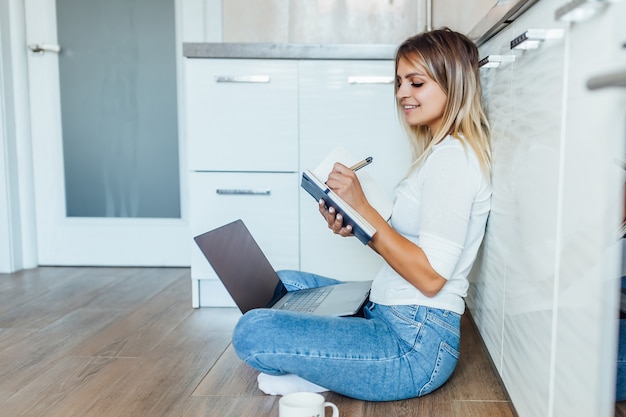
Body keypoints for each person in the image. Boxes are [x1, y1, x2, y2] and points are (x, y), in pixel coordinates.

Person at [232, 27, 492, 402]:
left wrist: (365, 211)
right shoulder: (438, 154)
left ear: (455, 85)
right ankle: (331, 364)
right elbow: (406, 244)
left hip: (414, 345)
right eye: (400, 82)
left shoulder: (453, 162)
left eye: (416, 83)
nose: (403, 93)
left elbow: (432, 278)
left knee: (253, 331)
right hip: (385, 308)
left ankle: (324, 370)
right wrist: (355, 223)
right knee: (281, 284)